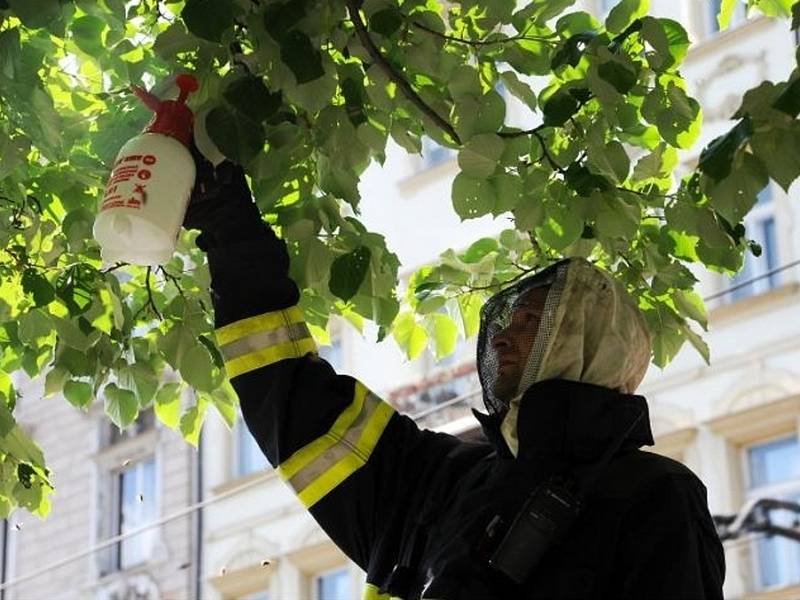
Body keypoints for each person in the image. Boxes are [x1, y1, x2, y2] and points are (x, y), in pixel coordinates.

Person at [184, 153, 726, 599]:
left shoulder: (656, 494)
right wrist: (226, 220)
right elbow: (291, 395)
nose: (503, 339)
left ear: (589, 338)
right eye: (505, 323)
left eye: (534, 320)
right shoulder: (434, 481)